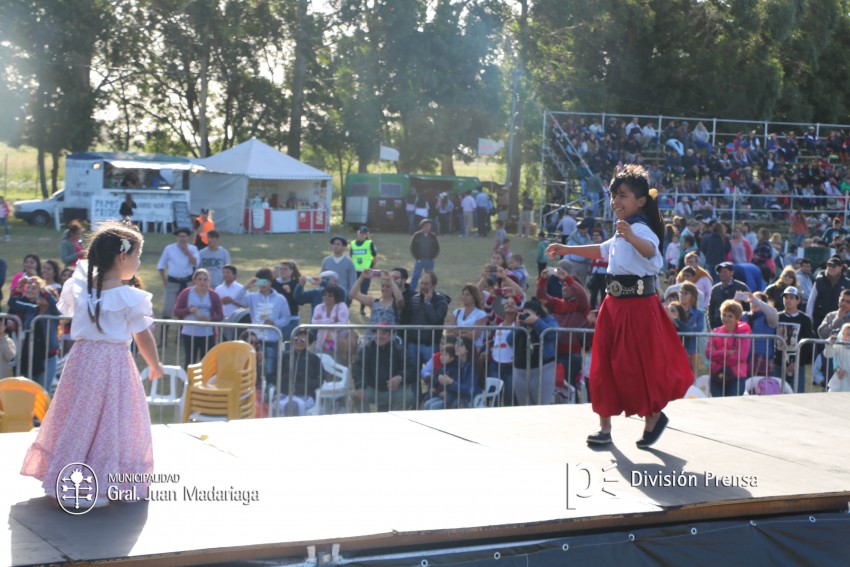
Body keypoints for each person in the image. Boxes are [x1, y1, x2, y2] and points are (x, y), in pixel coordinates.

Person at [546, 164, 692, 448]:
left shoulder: (641, 229)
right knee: (603, 367)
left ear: (640, 201)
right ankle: (604, 427)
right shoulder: (622, 231)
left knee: (632, 368)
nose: (615, 201)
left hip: (638, 307)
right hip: (613, 306)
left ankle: (653, 416)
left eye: (622, 195)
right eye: (613, 195)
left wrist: (632, 236)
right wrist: (567, 250)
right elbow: (601, 250)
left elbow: (651, 251)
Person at [20, 221, 163, 508]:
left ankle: (71, 480)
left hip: (82, 362)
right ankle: (99, 484)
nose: (138, 262)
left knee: (79, 421)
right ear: (122, 257)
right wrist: (154, 364)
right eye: (137, 256)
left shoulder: (82, 290)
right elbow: (143, 337)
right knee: (110, 423)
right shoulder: (127, 297)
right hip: (111, 365)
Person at [8, 275, 60, 389]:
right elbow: (12, 303)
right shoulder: (32, 309)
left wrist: (43, 289)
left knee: (42, 391)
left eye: (41, 294)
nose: (40, 297)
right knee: (28, 392)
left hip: (48, 357)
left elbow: (54, 304)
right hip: (32, 356)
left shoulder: (53, 312)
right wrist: (18, 288)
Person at [352, 325, 417, 411]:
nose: (380, 336)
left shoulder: (399, 349)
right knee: (355, 394)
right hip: (371, 388)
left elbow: (411, 368)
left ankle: (394, 422)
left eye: (384, 333)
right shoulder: (367, 349)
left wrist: (400, 378)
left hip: (393, 391)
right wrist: (359, 386)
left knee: (408, 396)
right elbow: (357, 368)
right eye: (377, 332)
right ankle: (366, 422)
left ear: (391, 335)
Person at [243, 268, 291, 382]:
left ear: (271, 281)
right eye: (260, 281)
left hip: (271, 340)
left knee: (269, 370)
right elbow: (236, 299)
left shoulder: (280, 299)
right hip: (254, 340)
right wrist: (246, 286)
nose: (263, 284)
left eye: (265, 281)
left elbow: (286, 318)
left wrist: (275, 323)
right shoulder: (251, 297)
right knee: (250, 369)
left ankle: (268, 394)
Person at [173, 268, 223, 366]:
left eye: (205, 279)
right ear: (194, 280)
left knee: (207, 362)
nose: (202, 282)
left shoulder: (213, 295)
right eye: (199, 279)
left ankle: (205, 381)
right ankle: (188, 380)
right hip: (189, 333)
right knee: (190, 361)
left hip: (208, 334)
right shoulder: (186, 293)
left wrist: (210, 319)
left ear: (209, 281)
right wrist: (189, 310)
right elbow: (176, 311)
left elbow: (220, 315)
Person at [706, 300, 751, 397]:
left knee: (733, 407)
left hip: (736, 376)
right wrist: (726, 353)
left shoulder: (743, 334)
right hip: (716, 374)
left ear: (737, 318)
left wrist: (718, 357)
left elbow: (741, 357)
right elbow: (708, 353)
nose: (726, 318)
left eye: (730, 316)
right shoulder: (715, 332)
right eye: (724, 315)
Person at [275, 328, 323, 416]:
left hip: (306, 395)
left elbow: (320, 380)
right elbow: (275, 375)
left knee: (294, 405)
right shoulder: (284, 356)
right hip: (284, 393)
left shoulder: (314, 359)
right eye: (296, 339)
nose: (298, 342)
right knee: (279, 404)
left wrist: (305, 384)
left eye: (303, 340)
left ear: (308, 343)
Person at [157, 227, 200, 321]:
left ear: (187, 238)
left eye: (184, 236)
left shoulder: (193, 249)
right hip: (172, 281)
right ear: (177, 237)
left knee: (184, 308)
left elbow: (195, 263)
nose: (182, 239)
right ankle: (164, 331)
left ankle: (181, 333)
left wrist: (186, 251)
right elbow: (161, 265)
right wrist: (164, 280)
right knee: (168, 307)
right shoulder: (169, 248)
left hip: (187, 282)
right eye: (180, 236)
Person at [775, 286, 813, 393]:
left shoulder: (805, 320)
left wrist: (796, 362)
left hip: (797, 364)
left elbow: (806, 344)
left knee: (797, 394)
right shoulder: (777, 317)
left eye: (791, 298)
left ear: (798, 300)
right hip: (778, 362)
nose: (788, 300)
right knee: (776, 393)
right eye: (786, 297)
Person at [806, 255, 850, 331]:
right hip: (819, 318)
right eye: (829, 265)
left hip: (839, 317)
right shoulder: (819, 280)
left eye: (834, 266)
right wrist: (809, 317)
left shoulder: (847, 283)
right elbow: (811, 300)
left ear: (840, 268)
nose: (830, 268)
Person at [708, 261, 751, 329]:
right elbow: (711, 309)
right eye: (720, 272)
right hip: (718, 324)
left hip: (737, 326)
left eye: (725, 272)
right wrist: (712, 325)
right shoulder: (715, 289)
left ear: (732, 272)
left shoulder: (742, 287)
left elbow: (748, 307)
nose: (722, 274)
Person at [449, 284, 489, 349]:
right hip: (457, 348)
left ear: (474, 298)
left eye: (467, 294)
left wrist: (457, 331)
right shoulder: (457, 312)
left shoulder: (481, 314)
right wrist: (467, 331)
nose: (464, 296)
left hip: (473, 349)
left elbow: (475, 335)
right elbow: (450, 331)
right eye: (463, 294)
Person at [350, 226, 378, 316]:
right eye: (360, 233)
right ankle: (347, 307)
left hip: (366, 272)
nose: (361, 235)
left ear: (366, 235)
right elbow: (351, 257)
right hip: (355, 271)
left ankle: (362, 309)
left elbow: (374, 257)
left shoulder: (369, 243)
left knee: (364, 291)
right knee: (352, 290)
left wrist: (372, 269)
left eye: (363, 233)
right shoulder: (353, 243)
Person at [410, 218, 440, 291]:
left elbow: (437, 248)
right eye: (426, 226)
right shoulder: (417, 235)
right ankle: (411, 291)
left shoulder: (432, 236)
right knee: (415, 276)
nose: (427, 227)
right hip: (419, 260)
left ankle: (429, 292)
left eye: (429, 226)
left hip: (430, 260)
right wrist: (416, 257)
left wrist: (432, 256)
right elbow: (412, 247)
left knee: (429, 278)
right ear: (422, 226)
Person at [824, 323, 850, 392]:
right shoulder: (838, 346)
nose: (844, 337)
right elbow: (828, 354)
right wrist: (829, 343)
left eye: (848, 334)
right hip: (839, 380)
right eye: (843, 334)